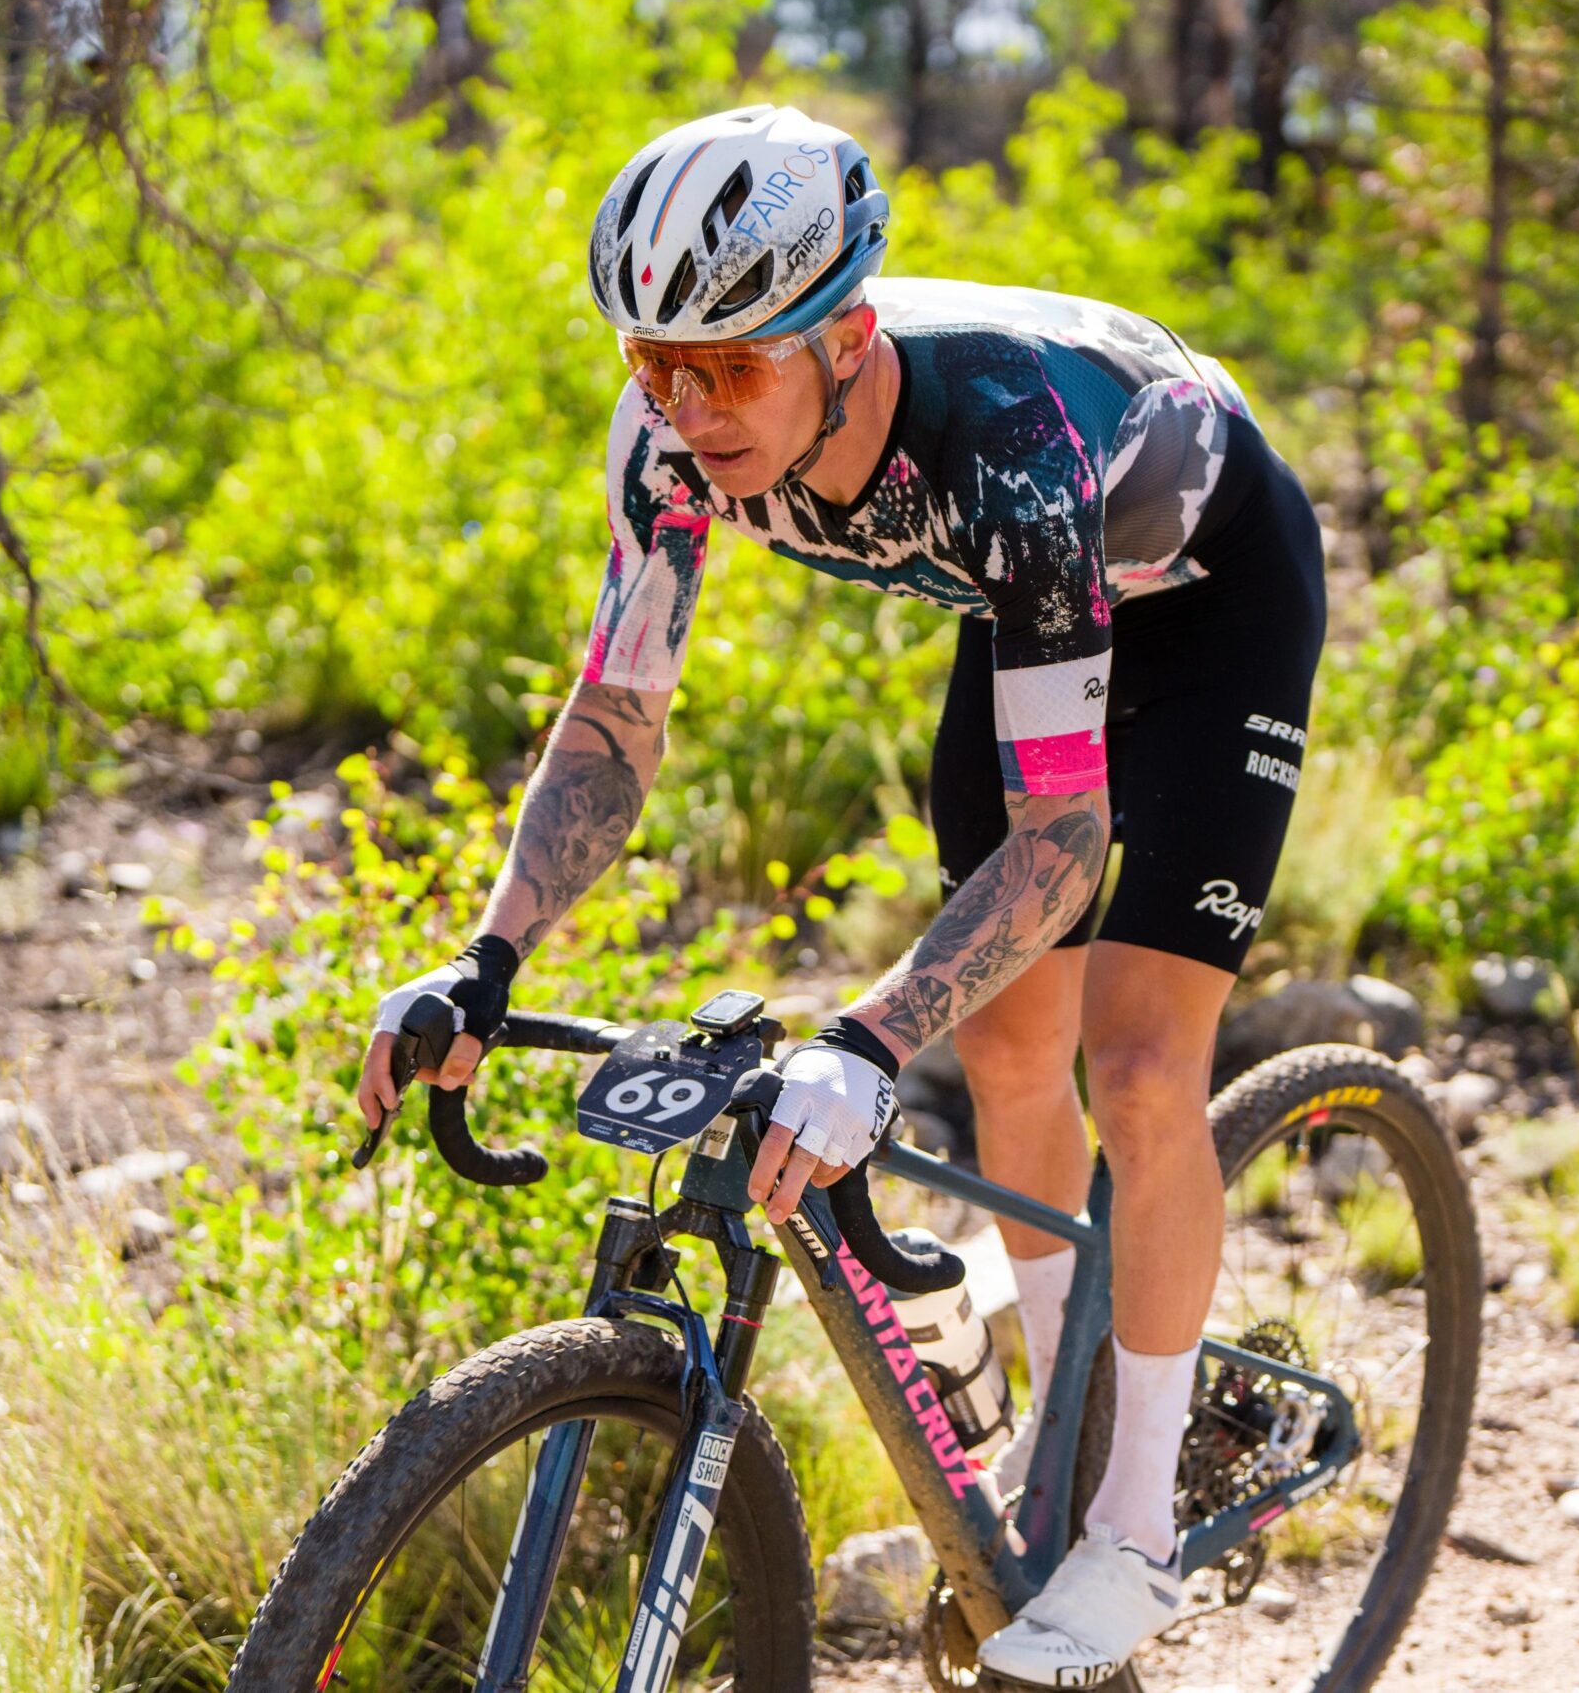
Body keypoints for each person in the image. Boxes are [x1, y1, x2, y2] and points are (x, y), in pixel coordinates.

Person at [356, 103, 1325, 1687]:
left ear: (845, 338)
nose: (684, 405)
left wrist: (865, 1044)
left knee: (1138, 1064)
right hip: (1028, 612)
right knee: (1010, 1051)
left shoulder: (1002, 430)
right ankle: (1062, 1438)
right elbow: (615, 721)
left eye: (729, 368)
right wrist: (488, 956)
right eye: (649, 362)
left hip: (1208, 597)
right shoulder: (671, 437)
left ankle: (1135, 1524)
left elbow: (1062, 843)